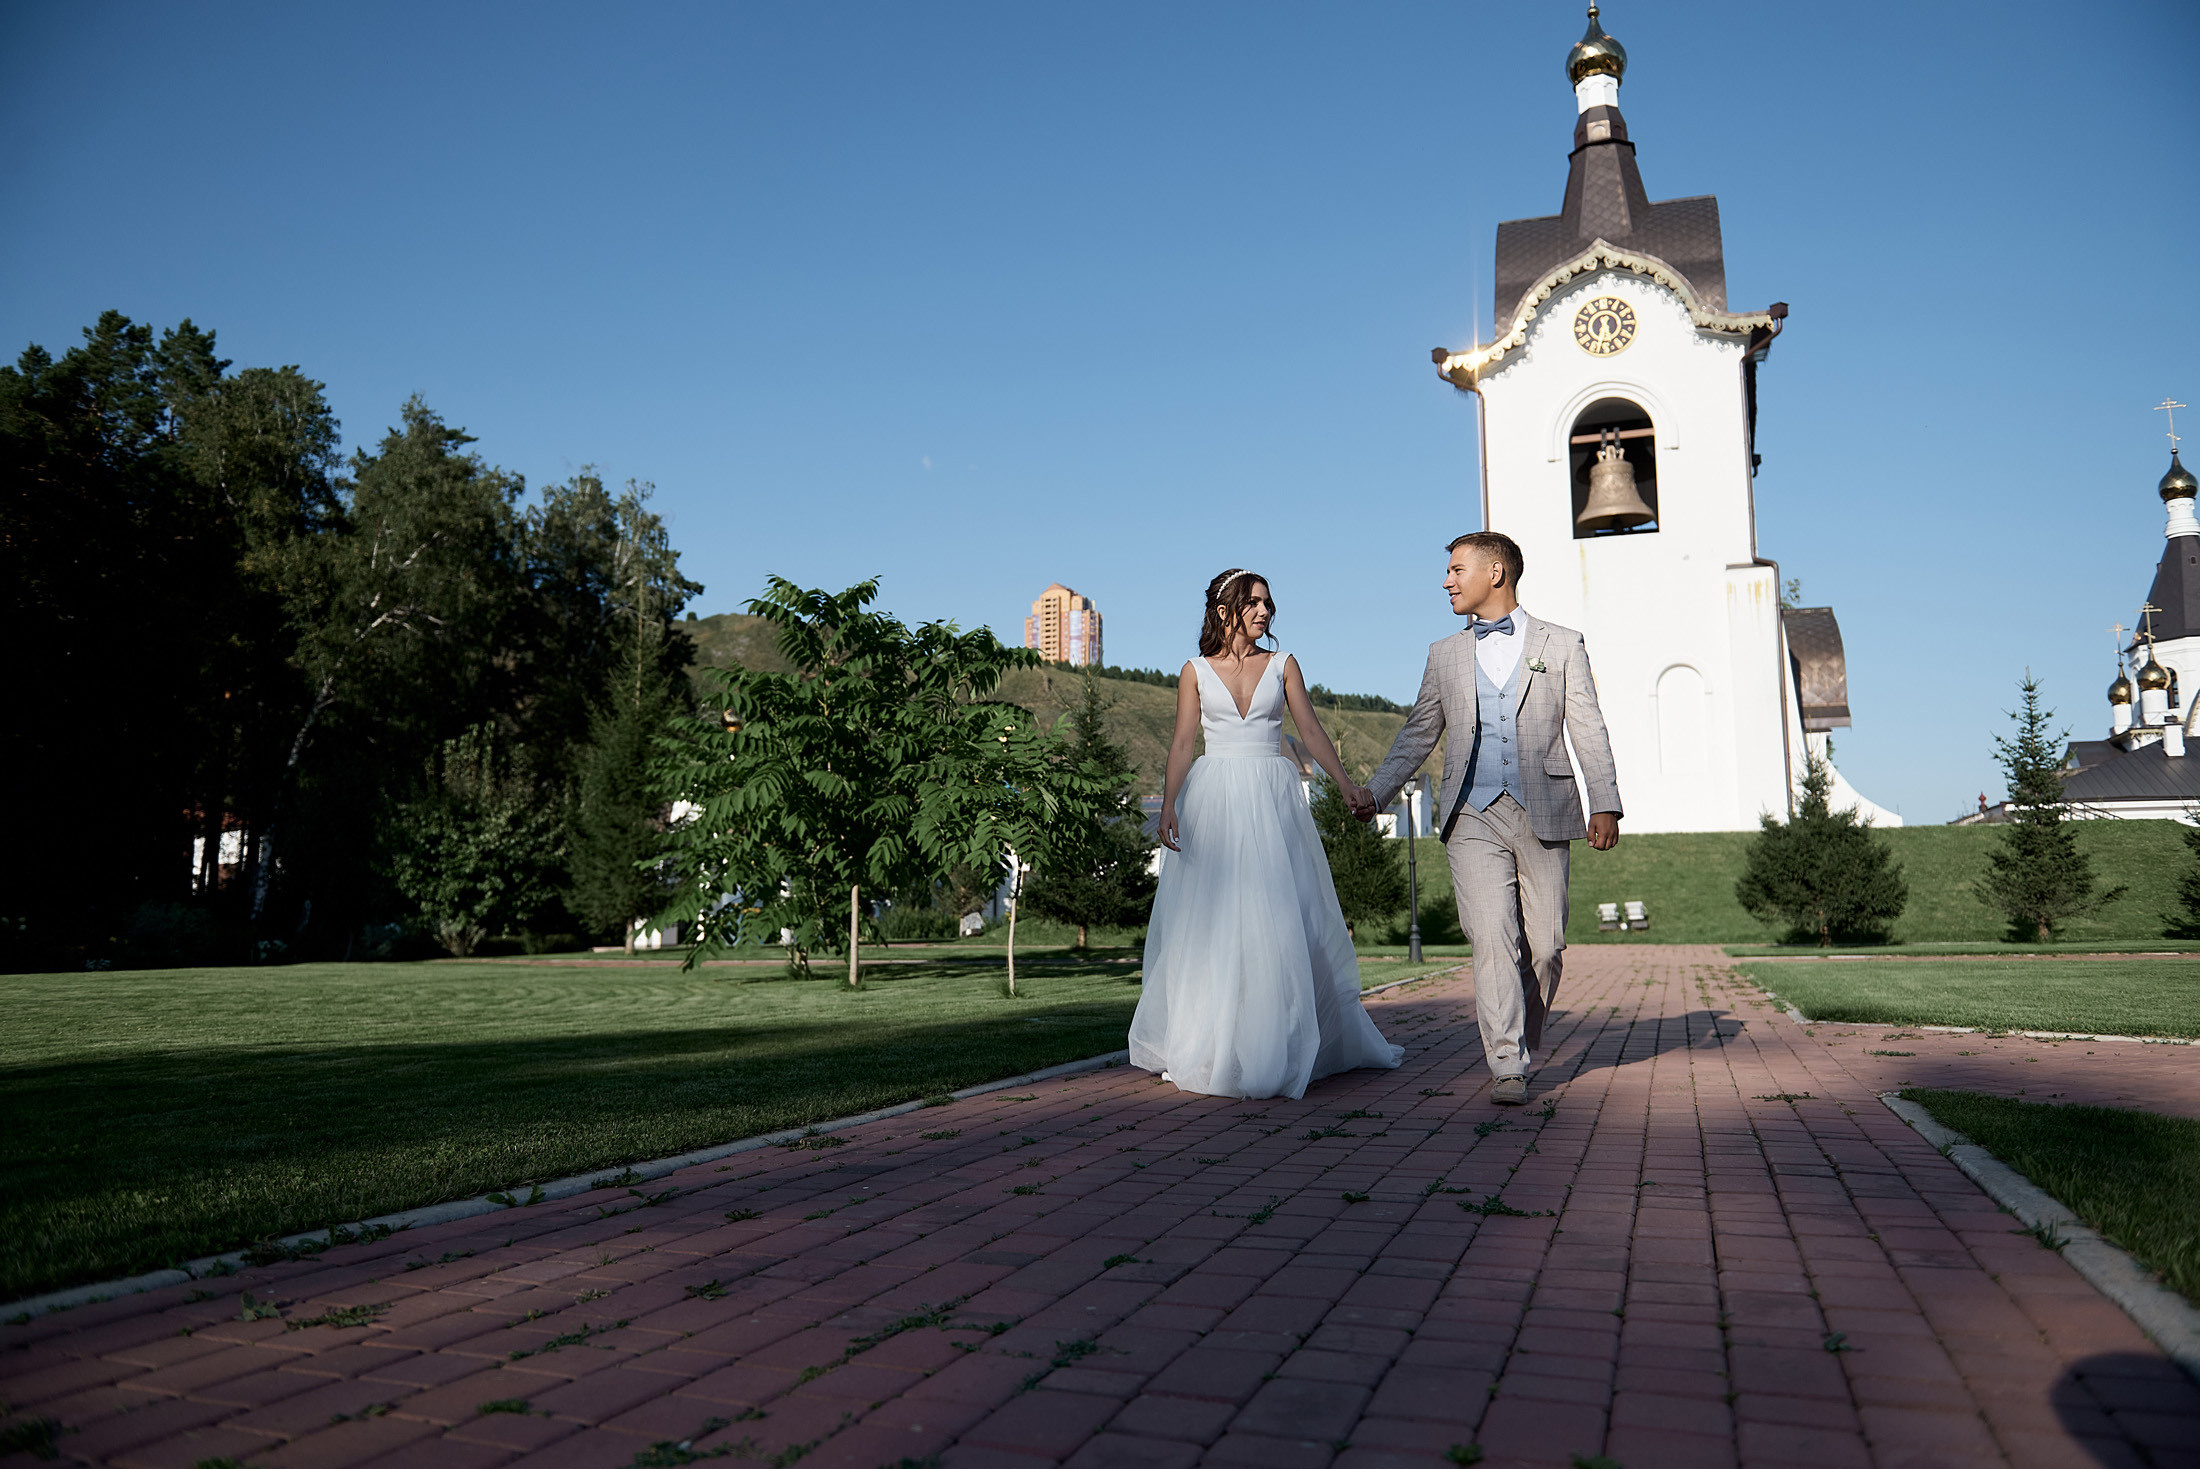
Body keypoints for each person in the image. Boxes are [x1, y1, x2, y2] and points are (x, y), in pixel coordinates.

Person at [1357, 532, 1621, 1105]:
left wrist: (1604, 800)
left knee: (1546, 944)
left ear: (1495, 572)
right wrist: (1377, 794)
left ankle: (1522, 1030)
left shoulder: (1564, 643)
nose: (1446, 581)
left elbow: (1588, 727)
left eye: (1456, 569)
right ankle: (1507, 1061)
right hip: (1470, 813)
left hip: (1545, 808)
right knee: (1493, 938)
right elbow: (1418, 734)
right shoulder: (1443, 654)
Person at [1129, 568, 1405, 1099]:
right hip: (1211, 799)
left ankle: (1283, 1042)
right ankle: (1213, 1047)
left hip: (1272, 797)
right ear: (1223, 609)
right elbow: (1183, 743)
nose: (1264, 612)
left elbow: (1310, 730)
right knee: (1212, 922)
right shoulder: (1193, 671)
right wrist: (1168, 804)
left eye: (1268, 604)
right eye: (1253, 603)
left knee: (1281, 915)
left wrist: (1346, 784)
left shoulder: (1283, 665)